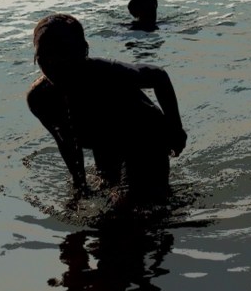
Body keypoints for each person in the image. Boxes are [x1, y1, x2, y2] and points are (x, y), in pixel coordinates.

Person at [26, 14, 187, 208]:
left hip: (144, 133)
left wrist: (175, 130)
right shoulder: (40, 99)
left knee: (135, 206)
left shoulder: (107, 73)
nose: (55, 64)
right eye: (45, 56)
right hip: (106, 143)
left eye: (64, 52)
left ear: (82, 51)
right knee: (108, 198)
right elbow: (66, 143)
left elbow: (158, 76)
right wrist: (80, 186)